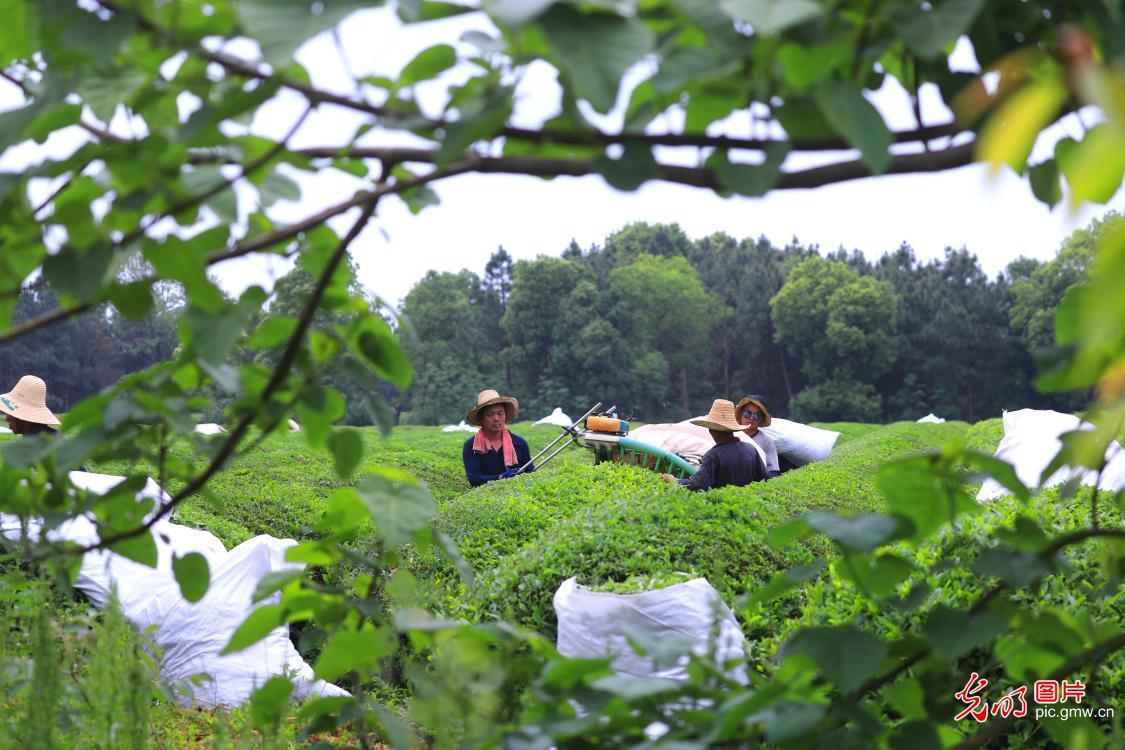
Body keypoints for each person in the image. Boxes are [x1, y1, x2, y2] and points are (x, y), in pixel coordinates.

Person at [661, 399, 766, 490]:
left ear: (711, 430)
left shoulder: (713, 455)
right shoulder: (751, 450)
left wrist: (675, 481)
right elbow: (765, 478)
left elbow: (698, 485)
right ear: (732, 429)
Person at [462, 389, 536, 486]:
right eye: (490, 414)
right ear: (481, 418)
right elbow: (474, 479)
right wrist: (500, 477)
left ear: (505, 416)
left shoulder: (519, 443)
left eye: (500, 414)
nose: (496, 419)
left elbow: (530, 472)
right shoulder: (471, 446)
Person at [735, 394, 781, 479]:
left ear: (761, 419)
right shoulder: (732, 436)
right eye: (747, 413)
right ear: (741, 414)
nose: (751, 418)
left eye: (757, 416)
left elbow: (774, 473)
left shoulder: (766, 441)